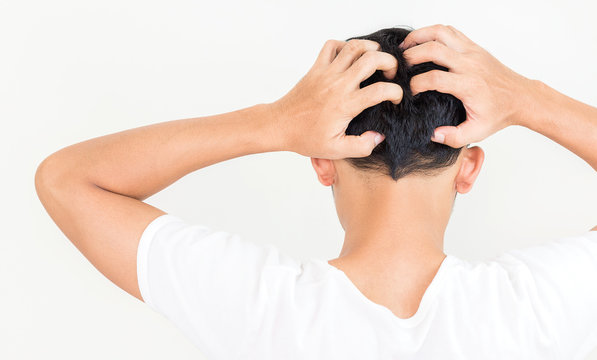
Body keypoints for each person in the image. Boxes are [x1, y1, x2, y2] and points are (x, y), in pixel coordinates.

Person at [34, 24, 597, 359]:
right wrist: (528, 98)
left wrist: (275, 121)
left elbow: (68, 179)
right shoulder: (536, 311)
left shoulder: (262, 309)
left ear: (322, 162)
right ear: (468, 167)